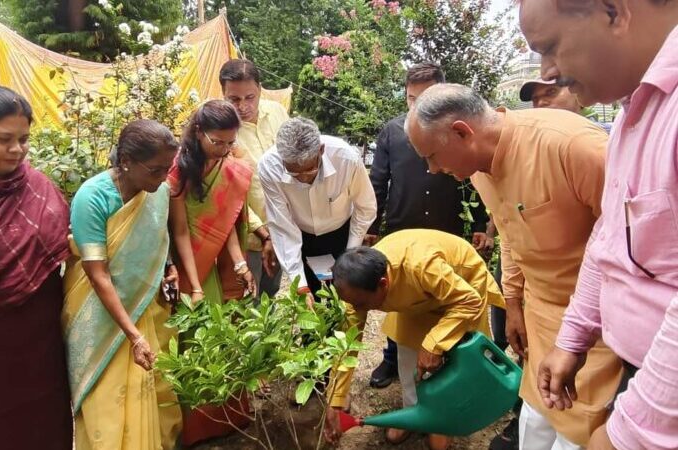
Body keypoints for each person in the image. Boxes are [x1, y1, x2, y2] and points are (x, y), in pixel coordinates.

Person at [405, 83, 623, 449]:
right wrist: (514, 306)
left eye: (432, 156)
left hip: (597, 332)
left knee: (576, 437)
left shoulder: (572, 146)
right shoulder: (477, 169)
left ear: (462, 132)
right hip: (540, 320)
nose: (431, 170)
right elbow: (510, 235)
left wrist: (579, 336)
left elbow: (631, 243)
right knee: (534, 427)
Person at [518, 1, 678, 449]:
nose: (547, 72)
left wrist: (630, 433)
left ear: (613, 12)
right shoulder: (632, 110)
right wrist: (573, 337)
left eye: (549, 48)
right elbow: (610, 236)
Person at [366, 62, 492, 389]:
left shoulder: (454, 134)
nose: (417, 106)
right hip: (401, 228)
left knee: (443, 296)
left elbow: (474, 178)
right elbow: (379, 180)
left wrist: (479, 222)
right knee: (397, 299)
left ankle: (444, 360)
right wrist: (373, 226)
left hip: (445, 230)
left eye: (425, 97)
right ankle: (393, 359)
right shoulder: (393, 132)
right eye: (411, 98)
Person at [323, 230, 505, 450]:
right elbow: (347, 345)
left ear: (383, 284)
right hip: (419, 300)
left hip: (462, 292)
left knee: (454, 360)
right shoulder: (356, 291)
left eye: (361, 304)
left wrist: (434, 344)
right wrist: (336, 399)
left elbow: (469, 301)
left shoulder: (421, 266)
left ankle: (442, 421)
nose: (357, 310)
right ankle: (413, 412)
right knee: (408, 354)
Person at [63, 119, 182, 449]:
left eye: (167, 169)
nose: (163, 179)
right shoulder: (92, 197)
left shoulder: (154, 192)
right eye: (156, 170)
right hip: (100, 312)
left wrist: (169, 266)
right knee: (108, 399)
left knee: (153, 387)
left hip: (146, 304)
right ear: (126, 161)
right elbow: (97, 273)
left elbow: (158, 236)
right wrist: (132, 334)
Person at [0, 86, 73, 450]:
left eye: (24, 139)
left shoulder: (37, 186)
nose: (17, 149)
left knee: (43, 421)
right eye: (4, 139)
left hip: (40, 339)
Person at [258, 117, 376, 306]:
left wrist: (350, 253)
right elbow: (282, 227)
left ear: (321, 150)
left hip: (341, 235)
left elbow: (366, 207)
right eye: (294, 174)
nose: (303, 179)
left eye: (310, 170)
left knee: (342, 300)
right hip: (302, 237)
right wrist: (300, 285)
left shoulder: (345, 158)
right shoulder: (269, 166)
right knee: (308, 300)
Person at [168, 100, 260, 304]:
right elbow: (180, 231)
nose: (224, 149)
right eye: (217, 142)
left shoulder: (226, 165)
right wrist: (195, 286)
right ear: (199, 132)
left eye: (230, 142)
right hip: (183, 260)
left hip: (210, 258)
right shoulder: (178, 169)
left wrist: (241, 265)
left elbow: (224, 222)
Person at [220, 59, 287, 298]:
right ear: (223, 95)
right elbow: (229, 193)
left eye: (250, 97)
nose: (243, 106)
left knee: (271, 295)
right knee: (247, 302)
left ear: (260, 89)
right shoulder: (222, 131)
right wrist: (264, 234)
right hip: (246, 237)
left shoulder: (277, 112)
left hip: (282, 229)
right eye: (234, 99)